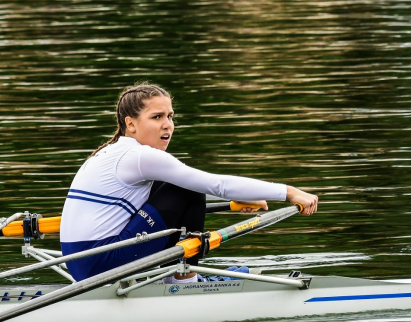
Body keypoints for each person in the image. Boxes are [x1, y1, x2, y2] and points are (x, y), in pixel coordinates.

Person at [59, 84, 318, 282]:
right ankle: (186, 280)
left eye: (170, 116)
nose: (167, 125)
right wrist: (289, 192)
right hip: (100, 264)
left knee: (179, 185)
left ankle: (175, 276)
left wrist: (231, 204)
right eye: (157, 117)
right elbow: (214, 184)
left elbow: (174, 202)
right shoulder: (139, 156)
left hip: (82, 262)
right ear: (131, 124)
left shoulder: (113, 151)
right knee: (187, 187)